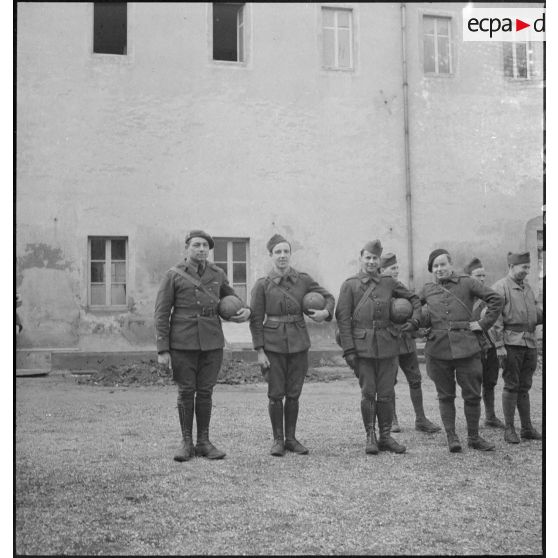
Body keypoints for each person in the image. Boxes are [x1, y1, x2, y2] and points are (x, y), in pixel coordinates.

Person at [154, 230, 251, 462]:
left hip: (211, 341)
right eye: (196, 245)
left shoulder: (217, 273)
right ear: (187, 248)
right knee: (186, 391)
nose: (201, 249)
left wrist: (246, 310)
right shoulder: (173, 275)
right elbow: (161, 313)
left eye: (205, 246)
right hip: (182, 341)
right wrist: (162, 349)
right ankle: (186, 442)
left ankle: (204, 442)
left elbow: (232, 298)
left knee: (206, 392)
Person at [249, 234, 335, 457]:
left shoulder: (303, 280)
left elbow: (329, 297)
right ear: (271, 256)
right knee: (276, 394)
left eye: (286, 251)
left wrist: (325, 312)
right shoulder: (262, 285)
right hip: (272, 346)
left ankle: (291, 438)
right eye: (277, 252)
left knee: (294, 393)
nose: (282, 256)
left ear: (290, 254)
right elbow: (256, 320)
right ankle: (278, 440)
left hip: (298, 343)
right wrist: (259, 351)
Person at [335, 240, 421, 455]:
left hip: (388, 345)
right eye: (368, 257)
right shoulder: (350, 285)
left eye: (375, 258)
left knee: (386, 392)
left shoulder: (389, 283)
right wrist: (349, 351)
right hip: (362, 348)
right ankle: (370, 436)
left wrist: (413, 322)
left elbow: (415, 300)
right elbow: (343, 320)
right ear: (361, 258)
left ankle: (386, 436)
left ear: (379, 261)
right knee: (368, 392)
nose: (371, 261)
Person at [419, 249, 503, 453]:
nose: (439, 269)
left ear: (450, 264)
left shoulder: (467, 282)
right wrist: (419, 327)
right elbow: (411, 308)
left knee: (472, 395)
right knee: (445, 395)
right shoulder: (427, 289)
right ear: (432, 270)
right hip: (438, 350)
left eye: (442, 264)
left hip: (467, 348)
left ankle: (474, 437)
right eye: (435, 266)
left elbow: (496, 299)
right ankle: (452, 437)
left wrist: (482, 323)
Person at [379, 252, 440, 434]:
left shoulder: (401, 287)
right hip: (388, 342)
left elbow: (411, 311)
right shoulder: (379, 289)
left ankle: (420, 419)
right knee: (389, 382)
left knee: (415, 380)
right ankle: (392, 419)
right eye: (392, 268)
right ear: (382, 270)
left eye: (397, 267)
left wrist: (417, 330)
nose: (396, 271)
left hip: (406, 342)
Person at [491, 251, 543, 444]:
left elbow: (535, 314)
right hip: (511, 343)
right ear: (511, 267)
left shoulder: (527, 288)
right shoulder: (500, 287)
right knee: (512, 385)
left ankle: (527, 428)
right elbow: (494, 319)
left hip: (529, 343)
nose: (527, 271)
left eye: (528, 267)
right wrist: (499, 346)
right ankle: (509, 428)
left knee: (525, 386)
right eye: (524, 267)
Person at [463, 257, 504, 428]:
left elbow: (499, 320)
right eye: (477, 275)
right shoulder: (463, 299)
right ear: (469, 277)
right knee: (472, 383)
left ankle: (490, 416)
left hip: (490, 344)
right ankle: (472, 420)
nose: (481, 279)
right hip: (472, 347)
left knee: (490, 381)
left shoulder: (490, 297)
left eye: (483, 276)